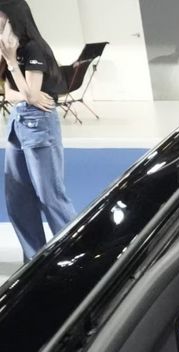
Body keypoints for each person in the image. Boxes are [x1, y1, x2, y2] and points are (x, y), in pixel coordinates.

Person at [0, 0, 76, 261]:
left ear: (13, 17)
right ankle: (34, 259)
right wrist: (25, 92)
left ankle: (77, 254)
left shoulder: (33, 48)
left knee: (50, 196)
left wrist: (12, 63)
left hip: (39, 123)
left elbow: (33, 96)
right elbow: (10, 93)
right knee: (18, 199)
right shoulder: (7, 47)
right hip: (18, 123)